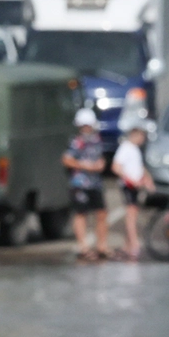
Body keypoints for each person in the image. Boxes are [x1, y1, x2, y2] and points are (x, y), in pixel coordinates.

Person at [64, 108, 109, 261]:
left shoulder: (97, 140)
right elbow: (67, 160)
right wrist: (85, 166)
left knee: (101, 213)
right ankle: (83, 246)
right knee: (81, 213)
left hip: (96, 183)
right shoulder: (76, 142)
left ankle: (102, 245)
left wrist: (100, 165)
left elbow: (101, 158)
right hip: (80, 183)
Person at [112, 123, 154, 260]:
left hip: (136, 186)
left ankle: (127, 244)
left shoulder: (135, 149)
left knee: (133, 214)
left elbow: (140, 167)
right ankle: (134, 243)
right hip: (129, 186)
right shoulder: (125, 148)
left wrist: (147, 180)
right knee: (131, 215)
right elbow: (116, 167)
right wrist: (130, 180)